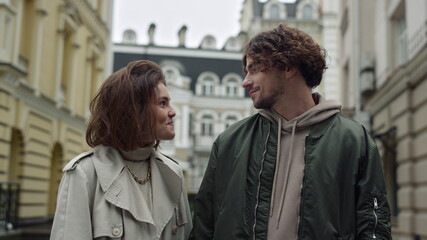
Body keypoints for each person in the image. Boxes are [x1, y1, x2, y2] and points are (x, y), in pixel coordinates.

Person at [192, 24, 391, 239]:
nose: (245, 82)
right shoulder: (229, 142)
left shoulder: (353, 140)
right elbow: (204, 225)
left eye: (255, 69)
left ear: (288, 67)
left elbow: (373, 227)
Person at [50, 60, 192, 239]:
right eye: (162, 103)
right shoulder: (84, 174)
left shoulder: (173, 173)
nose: (173, 112)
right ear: (134, 111)